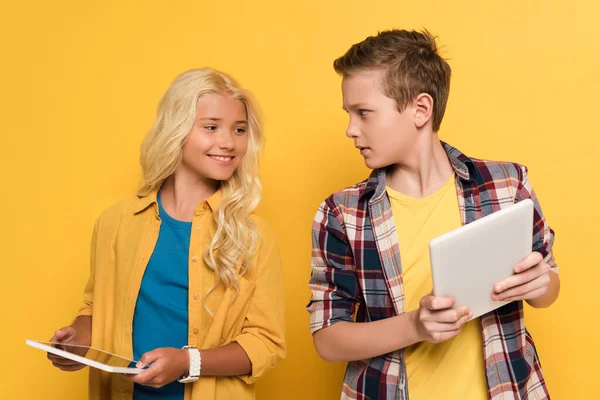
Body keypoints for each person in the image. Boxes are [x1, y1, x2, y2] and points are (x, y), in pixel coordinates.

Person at [307, 30, 559, 400]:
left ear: (421, 110)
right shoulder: (343, 212)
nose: (350, 129)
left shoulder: (507, 185)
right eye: (349, 114)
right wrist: (415, 325)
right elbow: (328, 338)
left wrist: (541, 284)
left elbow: (548, 286)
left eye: (363, 113)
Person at [47, 68, 286, 399]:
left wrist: (189, 362)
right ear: (177, 129)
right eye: (211, 127)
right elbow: (95, 307)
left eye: (239, 129)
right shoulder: (116, 222)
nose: (228, 142)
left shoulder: (254, 236)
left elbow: (266, 342)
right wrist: (76, 341)